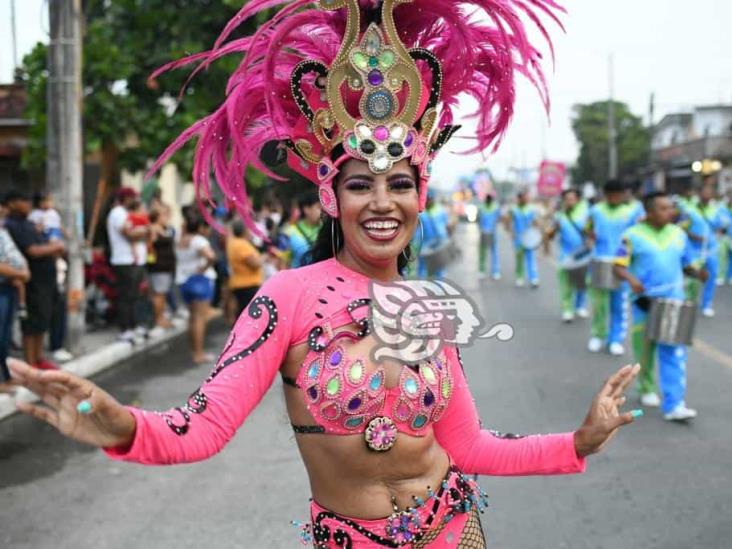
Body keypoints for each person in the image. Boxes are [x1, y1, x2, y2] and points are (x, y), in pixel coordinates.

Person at [8, 1, 643, 547]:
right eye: (361, 184)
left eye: (401, 184)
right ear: (332, 197)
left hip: (456, 532)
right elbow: (201, 428)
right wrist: (121, 426)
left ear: (421, 196)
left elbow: (471, 445)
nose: (383, 202)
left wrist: (577, 442)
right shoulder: (286, 297)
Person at [613, 192, 706, 420]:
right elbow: (618, 265)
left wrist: (698, 272)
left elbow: (686, 264)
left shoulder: (678, 234)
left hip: (673, 302)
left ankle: (674, 404)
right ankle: (646, 387)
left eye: (670, 208)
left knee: (674, 352)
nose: (670, 212)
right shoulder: (631, 236)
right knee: (644, 350)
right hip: (644, 302)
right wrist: (632, 281)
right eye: (663, 209)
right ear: (650, 212)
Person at [4, 190, 65, 369]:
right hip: (32, 281)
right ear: (12, 203)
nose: (29, 204)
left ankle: (39, 358)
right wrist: (55, 247)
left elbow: (43, 244)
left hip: (46, 279)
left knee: (43, 320)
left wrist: (54, 247)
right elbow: (33, 251)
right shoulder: (13, 225)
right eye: (24, 200)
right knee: (31, 323)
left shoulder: (29, 223)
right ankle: (30, 362)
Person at [586, 180, 643, 356]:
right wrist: (591, 239)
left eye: (618, 195)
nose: (615, 198)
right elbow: (587, 229)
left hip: (622, 264)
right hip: (600, 260)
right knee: (599, 303)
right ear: (606, 195)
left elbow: (636, 235)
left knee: (618, 304)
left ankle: (615, 339)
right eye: (611, 195)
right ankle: (598, 334)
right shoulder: (595, 211)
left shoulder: (631, 212)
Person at [107, 187, 149, 344]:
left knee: (135, 295)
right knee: (126, 296)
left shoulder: (126, 213)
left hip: (133, 260)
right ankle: (125, 329)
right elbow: (129, 233)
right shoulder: (118, 213)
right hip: (124, 260)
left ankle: (134, 325)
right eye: (133, 198)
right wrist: (145, 230)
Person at [176, 212, 217, 364]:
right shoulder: (199, 240)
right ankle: (199, 354)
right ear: (199, 227)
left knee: (192, 317)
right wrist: (204, 267)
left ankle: (194, 350)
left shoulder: (180, 240)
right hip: (200, 281)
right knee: (200, 319)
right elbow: (211, 256)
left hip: (183, 281)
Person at [546, 189, 590, 322]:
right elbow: (550, 236)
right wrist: (553, 228)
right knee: (566, 284)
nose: (569, 201)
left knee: (582, 283)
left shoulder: (585, 214)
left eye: (572, 198)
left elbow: (592, 232)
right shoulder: (559, 216)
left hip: (583, 255)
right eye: (567, 199)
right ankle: (567, 309)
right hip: (565, 256)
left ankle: (580, 306)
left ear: (577, 200)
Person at [0, 224, 30, 391]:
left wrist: (23, 271)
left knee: (4, 337)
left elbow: (15, 254)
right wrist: (20, 274)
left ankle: (6, 376)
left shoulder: (3, 230)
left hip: (9, 286)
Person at [689, 183, 726, 317]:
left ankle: (706, 304)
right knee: (693, 277)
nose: (707, 195)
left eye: (709, 193)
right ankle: (691, 302)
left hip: (711, 249)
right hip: (694, 250)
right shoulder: (690, 209)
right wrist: (692, 235)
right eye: (705, 192)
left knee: (711, 275)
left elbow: (721, 226)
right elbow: (682, 226)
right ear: (699, 194)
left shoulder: (716, 209)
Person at [147, 205, 176, 336]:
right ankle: (158, 319)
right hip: (159, 266)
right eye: (163, 215)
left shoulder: (164, 229)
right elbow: (150, 245)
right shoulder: (154, 229)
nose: (166, 217)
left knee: (162, 293)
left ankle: (162, 317)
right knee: (159, 293)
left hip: (166, 266)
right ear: (157, 217)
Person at [226, 219, 264, 318]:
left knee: (243, 312)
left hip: (240, 283)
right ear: (244, 230)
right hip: (248, 284)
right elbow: (255, 263)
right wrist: (264, 258)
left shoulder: (233, 243)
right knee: (249, 314)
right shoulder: (242, 245)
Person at [507, 190, 540, 288]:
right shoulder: (514, 210)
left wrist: (536, 230)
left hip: (529, 237)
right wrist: (511, 232)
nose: (527, 199)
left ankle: (533, 278)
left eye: (527, 198)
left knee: (531, 257)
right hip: (518, 238)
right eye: (524, 198)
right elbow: (509, 222)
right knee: (519, 259)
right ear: (519, 198)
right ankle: (519, 277)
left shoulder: (531, 209)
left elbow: (536, 222)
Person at [417, 190, 451, 279]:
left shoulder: (440, 210)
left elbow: (447, 225)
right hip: (425, 243)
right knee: (422, 267)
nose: (428, 200)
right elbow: (417, 228)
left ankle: (439, 287)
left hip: (439, 242)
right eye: (426, 199)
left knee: (439, 267)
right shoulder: (420, 212)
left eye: (430, 199)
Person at [286, 191, 322, 268]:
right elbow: (283, 262)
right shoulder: (290, 232)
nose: (323, 212)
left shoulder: (327, 230)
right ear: (307, 209)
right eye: (319, 208)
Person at [477, 194, 502, 280]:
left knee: (494, 252)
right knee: (482, 252)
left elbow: (499, 218)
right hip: (483, 233)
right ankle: (481, 270)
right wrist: (481, 228)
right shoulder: (481, 208)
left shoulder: (496, 208)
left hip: (493, 233)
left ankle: (496, 271)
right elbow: (478, 219)